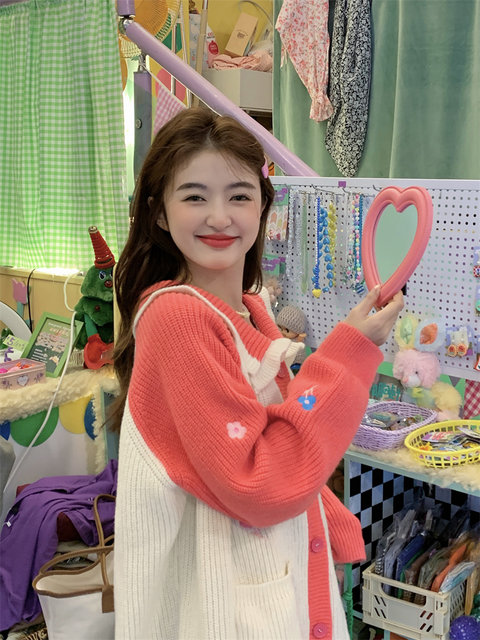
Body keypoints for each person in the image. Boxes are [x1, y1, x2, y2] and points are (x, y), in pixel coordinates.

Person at [112, 107, 403, 640]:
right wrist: (347, 356)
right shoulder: (178, 318)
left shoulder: (252, 312)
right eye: (194, 197)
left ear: (263, 207)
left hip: (273, 591)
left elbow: (288, 422)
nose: (219, 217)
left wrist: (343, 357)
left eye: (240, 196)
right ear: (159, 213)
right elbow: (258, 478)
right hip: (223, 611)